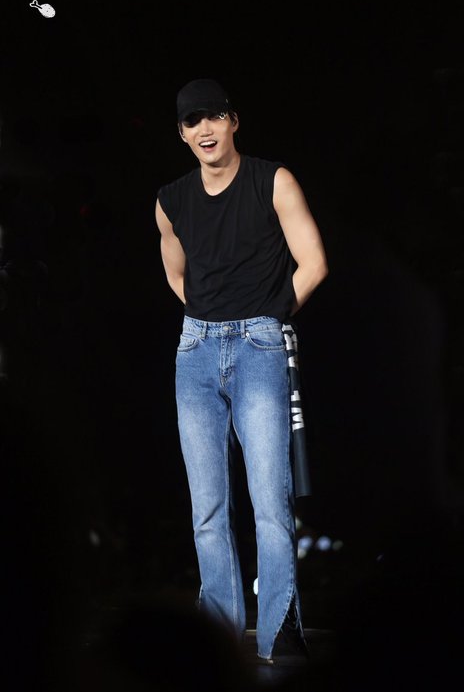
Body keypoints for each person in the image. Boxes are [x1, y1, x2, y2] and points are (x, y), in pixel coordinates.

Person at [154, 78, 328, 664]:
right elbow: (177, 274)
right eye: (192, 121)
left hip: (259, 346)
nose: (204, 129)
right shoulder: (170, 200)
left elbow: (313, 262)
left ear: (232, 121)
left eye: (213, 117)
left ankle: (280, 630)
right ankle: (219, 637)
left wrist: (266, 318)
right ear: (182, 133)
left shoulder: (272, 180)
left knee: (270, 501)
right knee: (206, 507)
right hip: (196, 350)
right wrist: (209, 319)